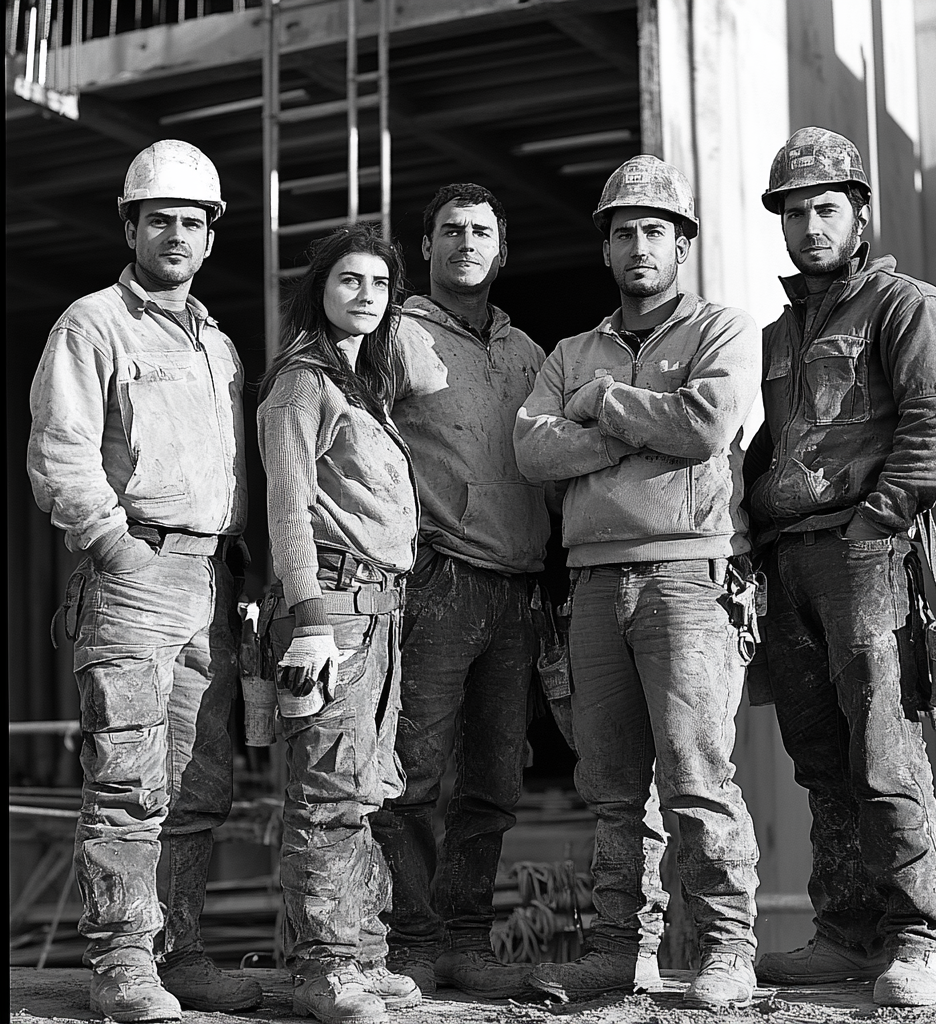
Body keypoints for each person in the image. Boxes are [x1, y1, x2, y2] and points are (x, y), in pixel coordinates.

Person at [514, 154, 762, 1011]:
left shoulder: (721, 331)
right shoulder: (570, 349)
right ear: (607, 250)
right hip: (591, 585)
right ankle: (622, 953)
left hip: (686, 578)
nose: (640, 246)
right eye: (624, 233)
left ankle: (728, 950)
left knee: (697, 776)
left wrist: (602, 405)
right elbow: (531, 450)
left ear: (682, 244)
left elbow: (704, 426)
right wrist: (630, 426)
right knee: (612, 788)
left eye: (656, 230)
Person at [26, 140, 261, 1022]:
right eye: (158, 217)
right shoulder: (93, 324)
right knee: (127, 775)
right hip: (135, 571)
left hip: (207, 578)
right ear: (130, 226)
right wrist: (115, 547)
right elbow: (61, 454)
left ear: (210, 237)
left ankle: (179, 951)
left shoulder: (220, 345)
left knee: (201, 779)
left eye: (192, 221)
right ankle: (122, 960)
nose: (176, 232)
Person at [743, 127, 936, 1008]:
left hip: (865, 555)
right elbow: (769, 447)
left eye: (824, 208)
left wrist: (872, 526)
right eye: (794, 211)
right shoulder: (777, 333)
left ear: (860, 213)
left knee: (885, 751)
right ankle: (844, 933)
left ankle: (916, 939)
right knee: (819, 758)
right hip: (788, 562)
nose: (808, 225)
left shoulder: (907, 306)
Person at [369, 183, 550, 1000]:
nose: (466, 242)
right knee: (411, 770)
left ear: (501, 248)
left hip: (516, 589)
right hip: (436, 576)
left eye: (481, 231)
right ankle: (409, 941)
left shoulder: (528, 353)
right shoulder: (393, 333)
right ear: (427, 246)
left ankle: (468, 941)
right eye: (450, 231)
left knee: (493, 780)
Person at [256, 224, 424, 1024]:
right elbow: (288, 512)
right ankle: (327, 969)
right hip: (336, 609)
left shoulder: (364, 386)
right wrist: (311, 621)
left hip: (379, 611)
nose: (367, 296)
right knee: (327, 792)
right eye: (350, 281)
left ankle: (361, 952)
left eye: (381, 285)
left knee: (365, 789)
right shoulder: (302, 384)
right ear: (319, 289)